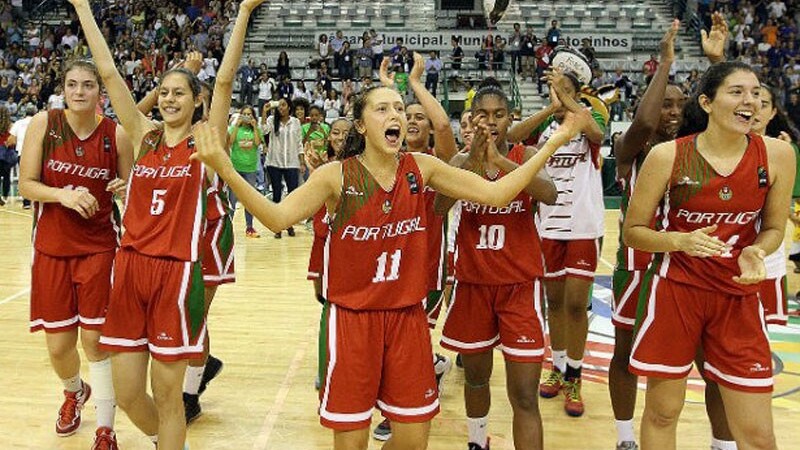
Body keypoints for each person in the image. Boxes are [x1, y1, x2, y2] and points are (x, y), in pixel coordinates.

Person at [189, 81, 585, 450]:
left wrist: (559, 140)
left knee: (413, 439)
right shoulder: (335, 177)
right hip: (352, 322)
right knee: (352, 441)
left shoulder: (422, 168)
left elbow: (498, 194)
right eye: (382, 109)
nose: (395, 115)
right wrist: (225, 169)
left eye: (399, 107)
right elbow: (276, 218)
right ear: (361, 124)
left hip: (407, 321)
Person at [67, 1, 264, 449]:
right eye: (165, 91)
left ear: (197, 101)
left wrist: (245, 13)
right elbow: (110, 75)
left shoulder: (207, 144)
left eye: (181, 92)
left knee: (169, 396)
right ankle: (167, 440)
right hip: (130, 269)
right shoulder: (144, 136)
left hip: (176, 275)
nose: (171, 98)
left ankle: (171, 438)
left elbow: (226, 81)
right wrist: (82, 8)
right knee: (130, 393)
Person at [624, 61, 794, 450]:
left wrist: (758, 250)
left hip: (738, 298)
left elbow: (773, 228)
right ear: (706, 102)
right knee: (663, 413)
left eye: (754, 92)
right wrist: (679, 241)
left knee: (759, 435)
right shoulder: (668, 156)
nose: (749, 100)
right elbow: (633, 233)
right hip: (676, 293)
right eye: (736, 92)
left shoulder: (779, 156)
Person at [608, 19, 735, 450]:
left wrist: (718, 61)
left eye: (680, 105)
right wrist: (666, 62)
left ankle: (723, 443)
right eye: (666, 103)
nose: (672, 112)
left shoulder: (694, 148)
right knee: (624, 356)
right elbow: (643, 123)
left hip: (686, 268)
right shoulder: (630, 149)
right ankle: (626, 438)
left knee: (711, 362)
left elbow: (726, 109)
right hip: (638, 267)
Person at [436, 77, 558, 450]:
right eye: (483, 115)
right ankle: (477, 443)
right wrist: (472, 166)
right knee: (475, 379)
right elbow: (437, 210)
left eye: (499, 115)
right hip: (473, 284)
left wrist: (501, 163)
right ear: (471, 120)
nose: (491, 122)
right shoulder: (458, 163)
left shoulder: (524, 156)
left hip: (520, 287)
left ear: (510, 119)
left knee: (523, 395)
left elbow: (550, 193)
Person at [18, 57, 133, 449]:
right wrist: (61, 195)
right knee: (58, 346)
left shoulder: (115, 135)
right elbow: (27, 185)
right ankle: (74, 391)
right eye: (72, 85)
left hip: (99, 247)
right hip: (51, 248)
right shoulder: (43, 125)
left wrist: (125, 189)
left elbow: (131, 190)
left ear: (99, 92)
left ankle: (106, 427)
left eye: (87, 85)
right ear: (63, 89)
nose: (79, 92)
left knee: (95, 341)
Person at [508, 69, 607, 418]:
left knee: (577, 304)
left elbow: (596, 130)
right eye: (554, 89)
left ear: (578, 93)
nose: (558, 95)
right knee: (553, 301)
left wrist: (568, 100)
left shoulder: (589, 121)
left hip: (583, 227)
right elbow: (511, 135)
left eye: (565, 90)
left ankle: (575, 376)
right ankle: (558, 364)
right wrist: (551, 108)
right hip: (548, 227)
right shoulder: (549, 129)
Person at [372, 53, 459, 442]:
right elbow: (377, 123)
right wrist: (388, 90)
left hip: (426, 265)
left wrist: (417, 85)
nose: (412, 121)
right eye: (407, 116)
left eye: (416, 117)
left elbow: (441, 124)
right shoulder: (386, 158)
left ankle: (403, 408)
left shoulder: (436, 162)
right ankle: (431, 370)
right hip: (386, 265)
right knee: (397, 342)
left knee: (410, 342)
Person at [262, 97, 302, 238]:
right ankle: (278, 227)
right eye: (279, 105)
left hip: (292, 163)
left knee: (292, 195)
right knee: (277, 195)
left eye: (284, 105)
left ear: (289, 107)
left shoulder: (296, 122)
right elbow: (264, 131)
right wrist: (264, 112)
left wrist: (301, 162)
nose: (281, 108)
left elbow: (299, 144)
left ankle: (289, 224)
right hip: (274, 162)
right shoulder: (272, 120)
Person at [228, 105, 265, 238]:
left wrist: (255, 127)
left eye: (250, 114)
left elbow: (257, 143)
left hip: (250, 169)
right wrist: (236, 126)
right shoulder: (234, 128)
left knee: (249, 201)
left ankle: (249, 227)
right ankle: (228, 228)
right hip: (235, 169)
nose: (247, 117)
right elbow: (230, 142)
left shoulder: (257, 129)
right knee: (231, 200)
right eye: (244, 114)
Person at [8, 103, 37, 208]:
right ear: (35, 113)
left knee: (24, 177)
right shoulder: (38, 122)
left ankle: (26, 202)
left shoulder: (19, 123)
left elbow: (11, 139)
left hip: (22, 153)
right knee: (37, 177)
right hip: (37, 153)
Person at [0, 106, 14, 205]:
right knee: (6, 176)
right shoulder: (10, 125)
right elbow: (12, 140)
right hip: (7, 152)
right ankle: (5, 195)